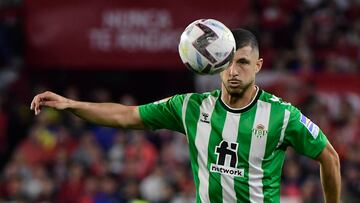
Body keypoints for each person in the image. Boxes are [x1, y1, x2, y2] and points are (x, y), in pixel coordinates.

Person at [30, 28, 341, 203]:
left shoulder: (282, 115)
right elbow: (126, 115)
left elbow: (329, 157)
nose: (234, 71)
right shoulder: (190, 107)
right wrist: (72, 104)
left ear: (258, 65)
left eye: (244, 63)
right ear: (214, 62)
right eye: (228, 62)